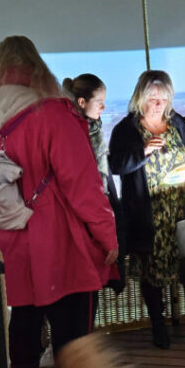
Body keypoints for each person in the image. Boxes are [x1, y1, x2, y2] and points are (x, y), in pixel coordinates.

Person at [0, 36, 117, 368]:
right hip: (61, 243)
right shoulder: (53, 113)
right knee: (73, 342)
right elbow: (84, 188)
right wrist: (107, 238)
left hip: (7, 242)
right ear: (36, 68)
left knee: (23, 328)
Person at [109, 69, 185, 349]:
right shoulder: (126, 130)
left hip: (182, 212)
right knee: (152, 273)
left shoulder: (178, 124)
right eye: (153, 98)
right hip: (148, 216)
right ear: (140, 98)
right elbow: (115, 165)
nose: (158, 104)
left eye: (163, 99)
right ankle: (158, 325)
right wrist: (142, 152)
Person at [63, 73, 125, 296]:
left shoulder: (93, 129)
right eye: (99, 101)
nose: (104, 107)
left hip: (102, 201)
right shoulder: (76, 133)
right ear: (82, 102)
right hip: (90, 210)